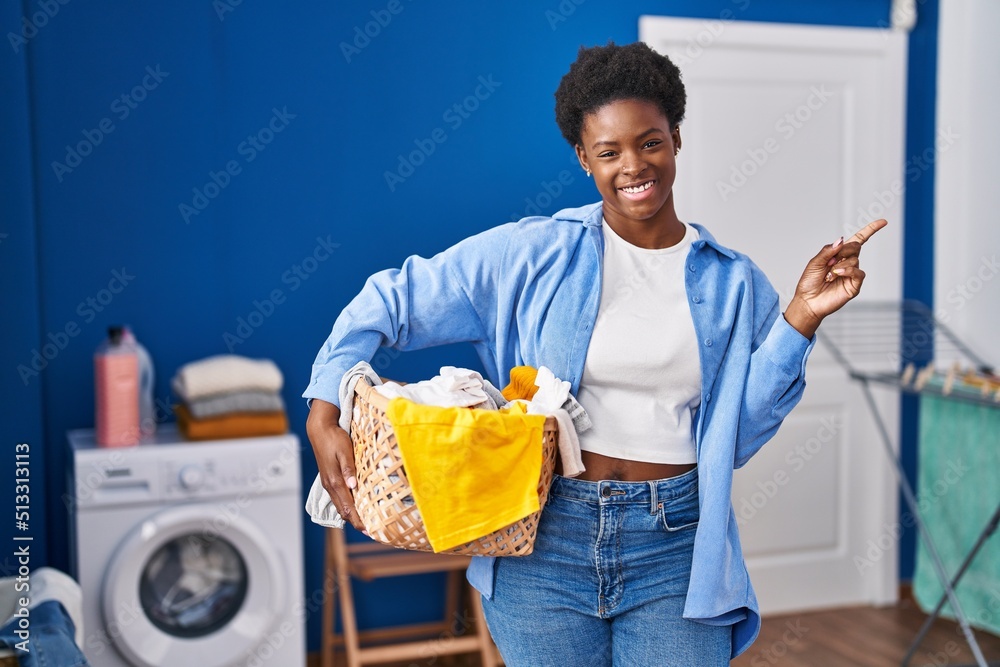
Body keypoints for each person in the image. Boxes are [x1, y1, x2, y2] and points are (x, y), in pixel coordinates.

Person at [304, 41, 886, 666]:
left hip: (674, 548)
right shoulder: (531, 255)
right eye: (608, 151)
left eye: (650, 142)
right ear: (583, 158)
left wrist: (801, 316)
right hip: (542, 539)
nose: (633, 165)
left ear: (676, 140)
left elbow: (737, 435)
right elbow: (391, 300)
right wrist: (324, 403)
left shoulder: (733, 285)